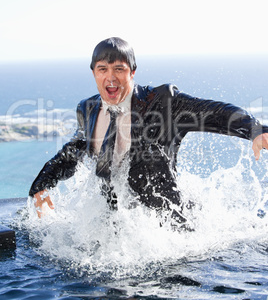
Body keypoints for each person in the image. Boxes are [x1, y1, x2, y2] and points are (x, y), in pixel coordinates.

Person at [29, 37, 268, 226]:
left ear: (132, 72)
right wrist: (42, 184)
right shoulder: (88, 108)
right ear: (94, 73)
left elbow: (215, 112)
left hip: (168, 228)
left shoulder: (163, 102)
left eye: (119, 69)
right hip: (115, 227)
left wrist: (255, 129)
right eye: (102, 69)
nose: (110, 78)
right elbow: (74, 151)